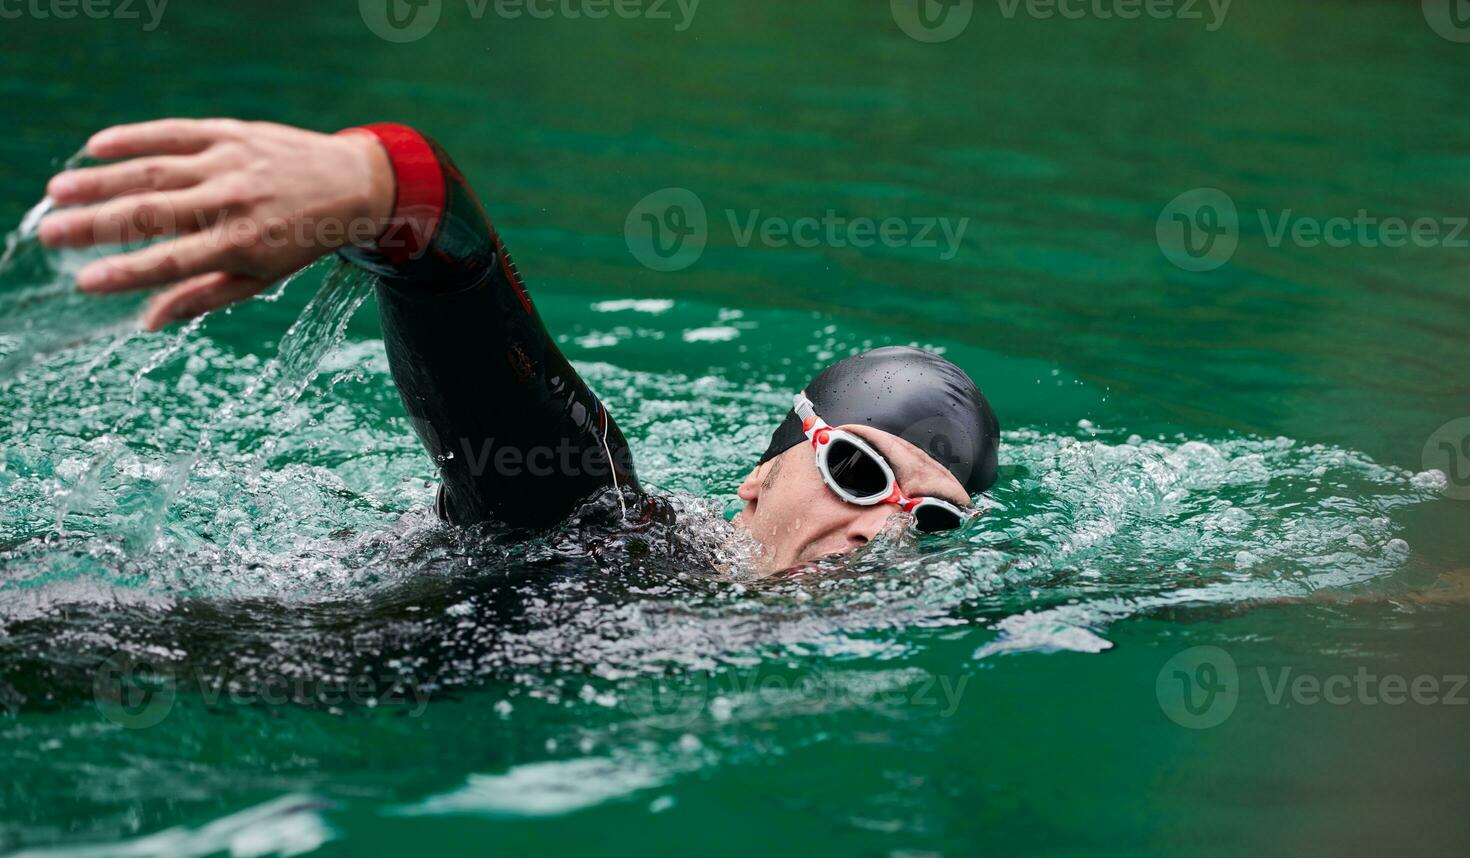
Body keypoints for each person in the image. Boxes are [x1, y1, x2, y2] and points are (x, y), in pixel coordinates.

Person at [36, 119, 1000, 575]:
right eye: (861, 473)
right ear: (759, 480)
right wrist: (386, 188)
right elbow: (482, 335)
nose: (886, 529)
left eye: (935, 522)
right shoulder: (620, 540)